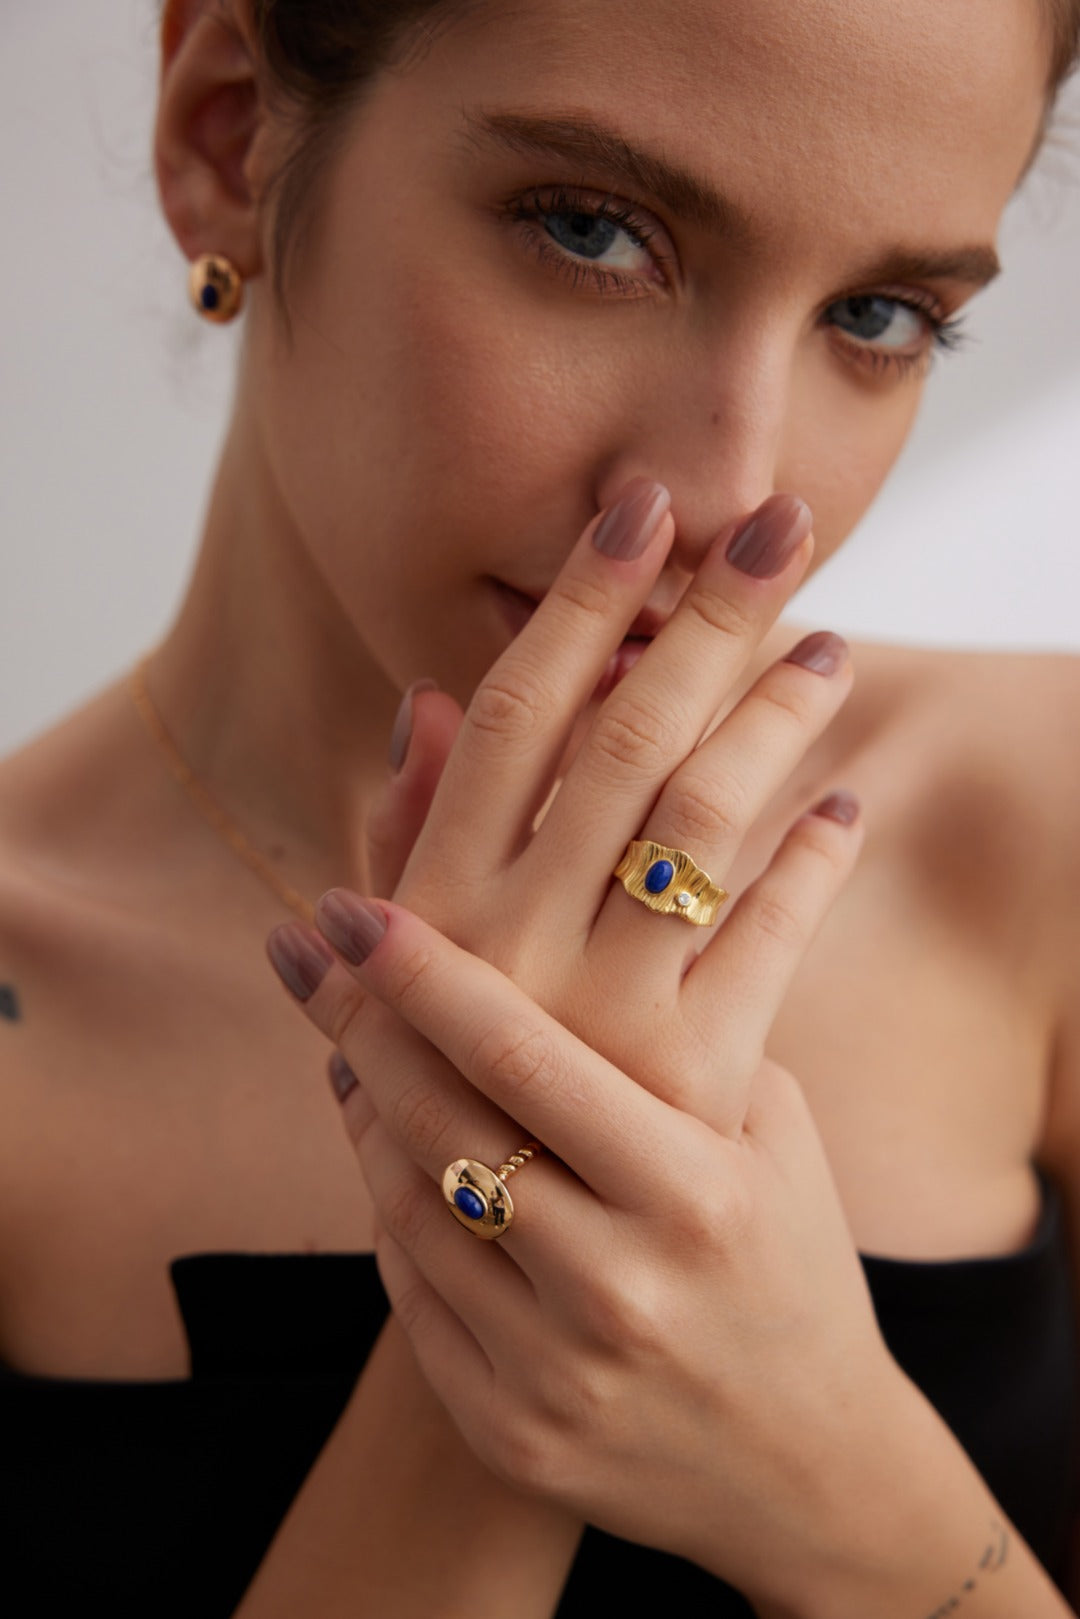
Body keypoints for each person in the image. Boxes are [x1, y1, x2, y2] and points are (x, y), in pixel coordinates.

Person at [1, 0, 1078, 1612]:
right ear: (230, 138)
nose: (734, 489)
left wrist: (842, 1482)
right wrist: (519, 1274)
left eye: (882, 314)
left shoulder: (1036, 820)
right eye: (594, 231)